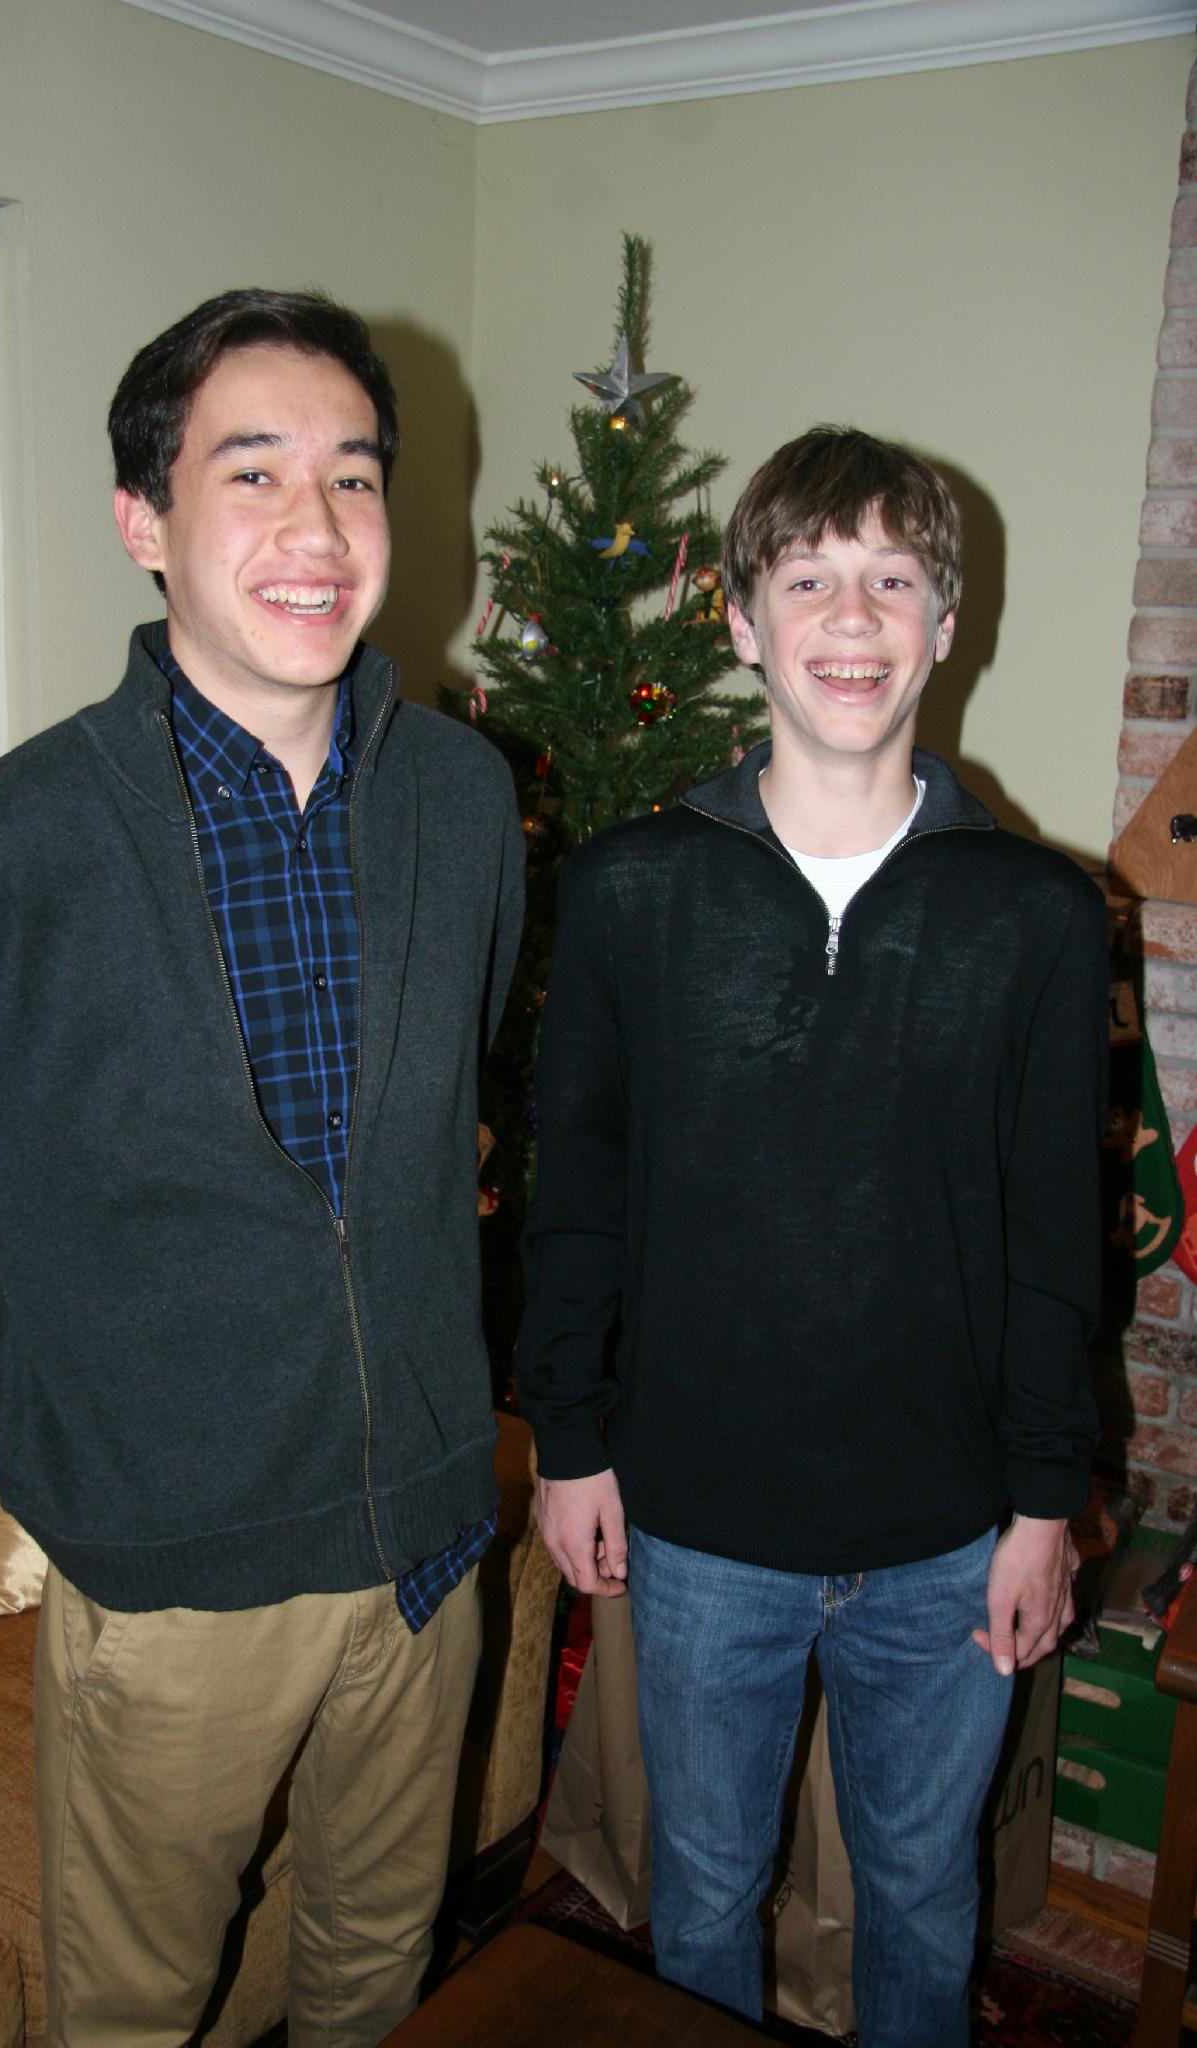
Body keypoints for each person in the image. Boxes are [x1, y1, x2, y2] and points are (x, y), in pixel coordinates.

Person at [0, 288, 524, 2048]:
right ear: (143, 521)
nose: (318, 527)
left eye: (353, 477)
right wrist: (26, 1387)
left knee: (375, 1962)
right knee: (135, 2013)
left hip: (426, 1533)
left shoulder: (463, 800)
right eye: (253, 472)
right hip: (169, 1572)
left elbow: (440, 1121)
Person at [516, 426, 1106, 2048]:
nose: (851, 619)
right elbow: (580, 1191)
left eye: (892, 581)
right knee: (703, 1888)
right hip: (701, 1523)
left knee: (918, 1895)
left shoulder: (1037, 916)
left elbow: (1056, 1238)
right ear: (740, 620)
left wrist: (1042, 1501)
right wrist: (570, 1439)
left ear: (945, 625)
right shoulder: (631, 892)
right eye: (807, 579)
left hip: (947, 1534)